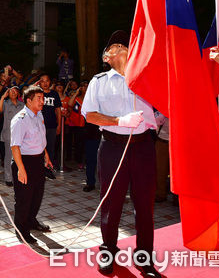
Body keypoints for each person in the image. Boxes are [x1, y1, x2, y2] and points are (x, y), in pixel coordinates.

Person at [81, 30, 160, 277]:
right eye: (115, 45)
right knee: (111, 202)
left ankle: (145, 258)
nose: (121, 46)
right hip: (113, 146)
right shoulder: (100, 81)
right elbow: (89, 114)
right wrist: (119, 121)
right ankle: (108, 252)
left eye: (124, 43)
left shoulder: (146, 78)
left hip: (143, 146)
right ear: (106, 57)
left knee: (145, 205)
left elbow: (165, 103)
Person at [10, 85, 52, 244]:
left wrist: (46, 154)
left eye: (43, 98)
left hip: (38, 160)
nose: (43, 101)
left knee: (37, 195)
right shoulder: (20, 119)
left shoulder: (38, 114)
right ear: (28, 101)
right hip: (24, 161)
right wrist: (21, 169)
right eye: (39, 98)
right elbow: (15, 146)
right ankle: (21, 230)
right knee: (24, 198)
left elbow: (41, 138)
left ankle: (31, 221)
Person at [0, 86, 24, 186]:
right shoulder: (5, 103)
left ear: (18, 93)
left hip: (21, 135)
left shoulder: (22, 104)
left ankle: (18, 176)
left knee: (20, 157)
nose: (13, 93)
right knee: (8, 157)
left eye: (15, 91)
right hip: (9, 134)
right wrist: (3, 97)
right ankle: (8, 178)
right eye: (11, 91)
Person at [38, 73, 62, 169]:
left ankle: (49, 168)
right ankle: (39, 168)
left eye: (47, 81)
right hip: (39, 126)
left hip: (52, 126)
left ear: (50, 82)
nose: (45, 83)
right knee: (39, 147)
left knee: (51, 148)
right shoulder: (37, 94)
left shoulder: (54, 94)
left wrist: (59, 125)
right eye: (42, 81)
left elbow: (58, 110)